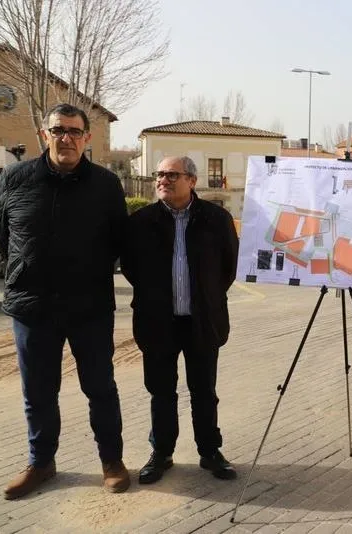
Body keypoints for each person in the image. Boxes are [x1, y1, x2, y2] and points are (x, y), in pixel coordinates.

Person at [0, 103, 130, 499]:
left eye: (74, 131)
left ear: (87, 139)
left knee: (100, 387)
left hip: (89, 308)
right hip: (32, 308)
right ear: (44, 134)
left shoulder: (105, 184)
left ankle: (112, 461)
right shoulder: (16, 178)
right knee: (37, 391)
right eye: (58, 131)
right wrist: (22, 271)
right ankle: (42, 462)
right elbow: (2, 235)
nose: (65, 138)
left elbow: (119, 241)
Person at [121, 156, 239, 484]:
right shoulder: (141, 221)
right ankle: (161, 453)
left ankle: (210, 452)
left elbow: (228, 267)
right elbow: (130, 267)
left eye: (172, 175)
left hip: (202, 321)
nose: (163, 180)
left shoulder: (216, 219)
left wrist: (207, 297)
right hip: (157, 321)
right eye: (159, 175)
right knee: (161, 391)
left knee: (204, 391)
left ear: (191, 180)